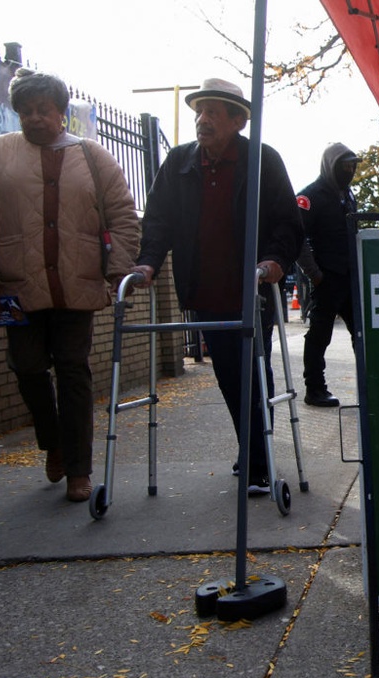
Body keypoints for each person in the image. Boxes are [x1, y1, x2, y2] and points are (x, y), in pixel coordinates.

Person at [0, 69, 140, 502]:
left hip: (76, 287)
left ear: (61, 112)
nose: (35, 118)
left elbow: (122, 216)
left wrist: (119, 269)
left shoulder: (94, 157)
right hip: (17, 287)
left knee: (74, 371)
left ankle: (79, 469)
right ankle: (54, 442)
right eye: (26, 110)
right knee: (27, 367)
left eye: (44, 109)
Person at [130, 78, 303, 496]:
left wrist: (275, 260)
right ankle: (253, 449)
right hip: (205, 288)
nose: (201, 120)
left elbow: (288, 221)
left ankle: (259, 464)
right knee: (229, 375)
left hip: (251, 289)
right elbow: (159, 219)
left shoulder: (262, 160)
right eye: (199, 111)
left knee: (252, 371)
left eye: (213, 112)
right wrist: (148, 262)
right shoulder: (178, 163)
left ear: (238, 120)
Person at [295, 143, 360, 407]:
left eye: (353, 166)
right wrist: (315, 273)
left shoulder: (347, 194)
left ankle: (370, 384)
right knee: (320, 334)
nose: (350, 171)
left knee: (361, 333)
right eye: (345, 166)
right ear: (331, 166)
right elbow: (295, 237)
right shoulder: (311, 196)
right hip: (328, 278)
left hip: (350, 276)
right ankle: (315, 389)